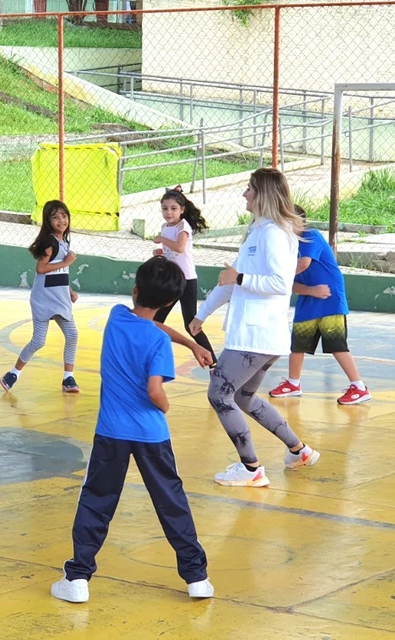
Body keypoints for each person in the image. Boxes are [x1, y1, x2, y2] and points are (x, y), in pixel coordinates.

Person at [51, 256, 213, 604]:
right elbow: (155, 389)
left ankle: (78, 577)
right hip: (152, 435)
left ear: (135, 290)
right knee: (171, 503)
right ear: (170, 303)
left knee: (97, 500)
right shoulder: (156, 343)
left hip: (112, 432)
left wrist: (189, 343)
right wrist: (167, 402)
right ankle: (196, 577)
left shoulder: (116, 316)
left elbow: (150, 325)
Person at [190, 168, 321, 488]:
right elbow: (233, 281)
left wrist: (240, 278)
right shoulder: (259, 233)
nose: (244, 194)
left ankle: (250, 468)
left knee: (220, 394)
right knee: (245, 397)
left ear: (262, 194)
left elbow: (279, 283)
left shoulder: (274, 233)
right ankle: (299, 450)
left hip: (255, 335)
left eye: (249, 188)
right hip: (260, 335)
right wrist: (202, 314)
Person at [269, 204, 370, 405]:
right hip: (310, 296)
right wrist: (310, 291)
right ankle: (293, 383)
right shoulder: (286, 246)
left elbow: (304, 264)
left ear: (300, 222)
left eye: (288, 220)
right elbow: (290, 285)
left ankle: (359, 387)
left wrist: (276, 276)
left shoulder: (310, 236)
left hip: (328, 296)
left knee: (336, 344)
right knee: (298, 343)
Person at [0, 200, 80, 393]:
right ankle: (13, 374)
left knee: (72, 335)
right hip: (44, 298)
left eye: (64, 215)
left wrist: (68, 290)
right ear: (47, 221)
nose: (61, 220)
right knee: (39, 341)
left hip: (60, 296)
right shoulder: (50, 243)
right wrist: (67, 261)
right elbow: (42, 268)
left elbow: (60, 271)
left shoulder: (64, 241)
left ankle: (68, 378)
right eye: (55, 217)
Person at [151, 187, 215, 362]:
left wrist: (162, 240)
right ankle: (152, 356)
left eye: (173, 208)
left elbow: (179, 247)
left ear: (182, 210)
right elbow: (174, 252)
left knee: (190, 324)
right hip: (172, 279)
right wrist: (161, 251)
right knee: (157, 319)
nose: (169, 212)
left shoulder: (183, 226)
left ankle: (211, 360)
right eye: (165, 208)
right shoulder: (165, 227)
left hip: (186, 280)